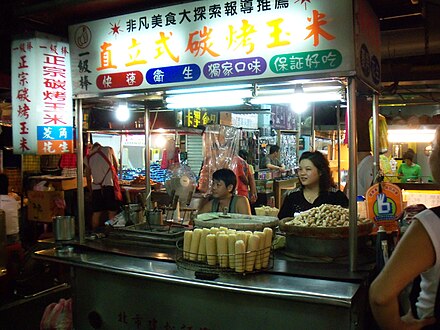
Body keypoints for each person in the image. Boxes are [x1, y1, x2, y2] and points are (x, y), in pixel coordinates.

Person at [369, 127, 440, 329]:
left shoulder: (432, 223)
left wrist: (398, 326)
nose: (429, 155)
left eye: (432, 148)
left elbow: (380, 296)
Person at [278, 151, 348, 219]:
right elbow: (282, 222)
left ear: (320, 172)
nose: (302, 173)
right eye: (300, 169)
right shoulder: (292, 197)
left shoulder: (336, 196)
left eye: (308, 169)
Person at [84, 142, 122, 229]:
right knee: (112, 211)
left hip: (96, 187)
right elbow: (116, 165)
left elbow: (88, 177)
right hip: (109, 185)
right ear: (100, 146)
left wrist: (90, 190)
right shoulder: (108, 149)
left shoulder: (87, 157)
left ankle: (94, 232)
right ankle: (111, 232)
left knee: (96, 212)